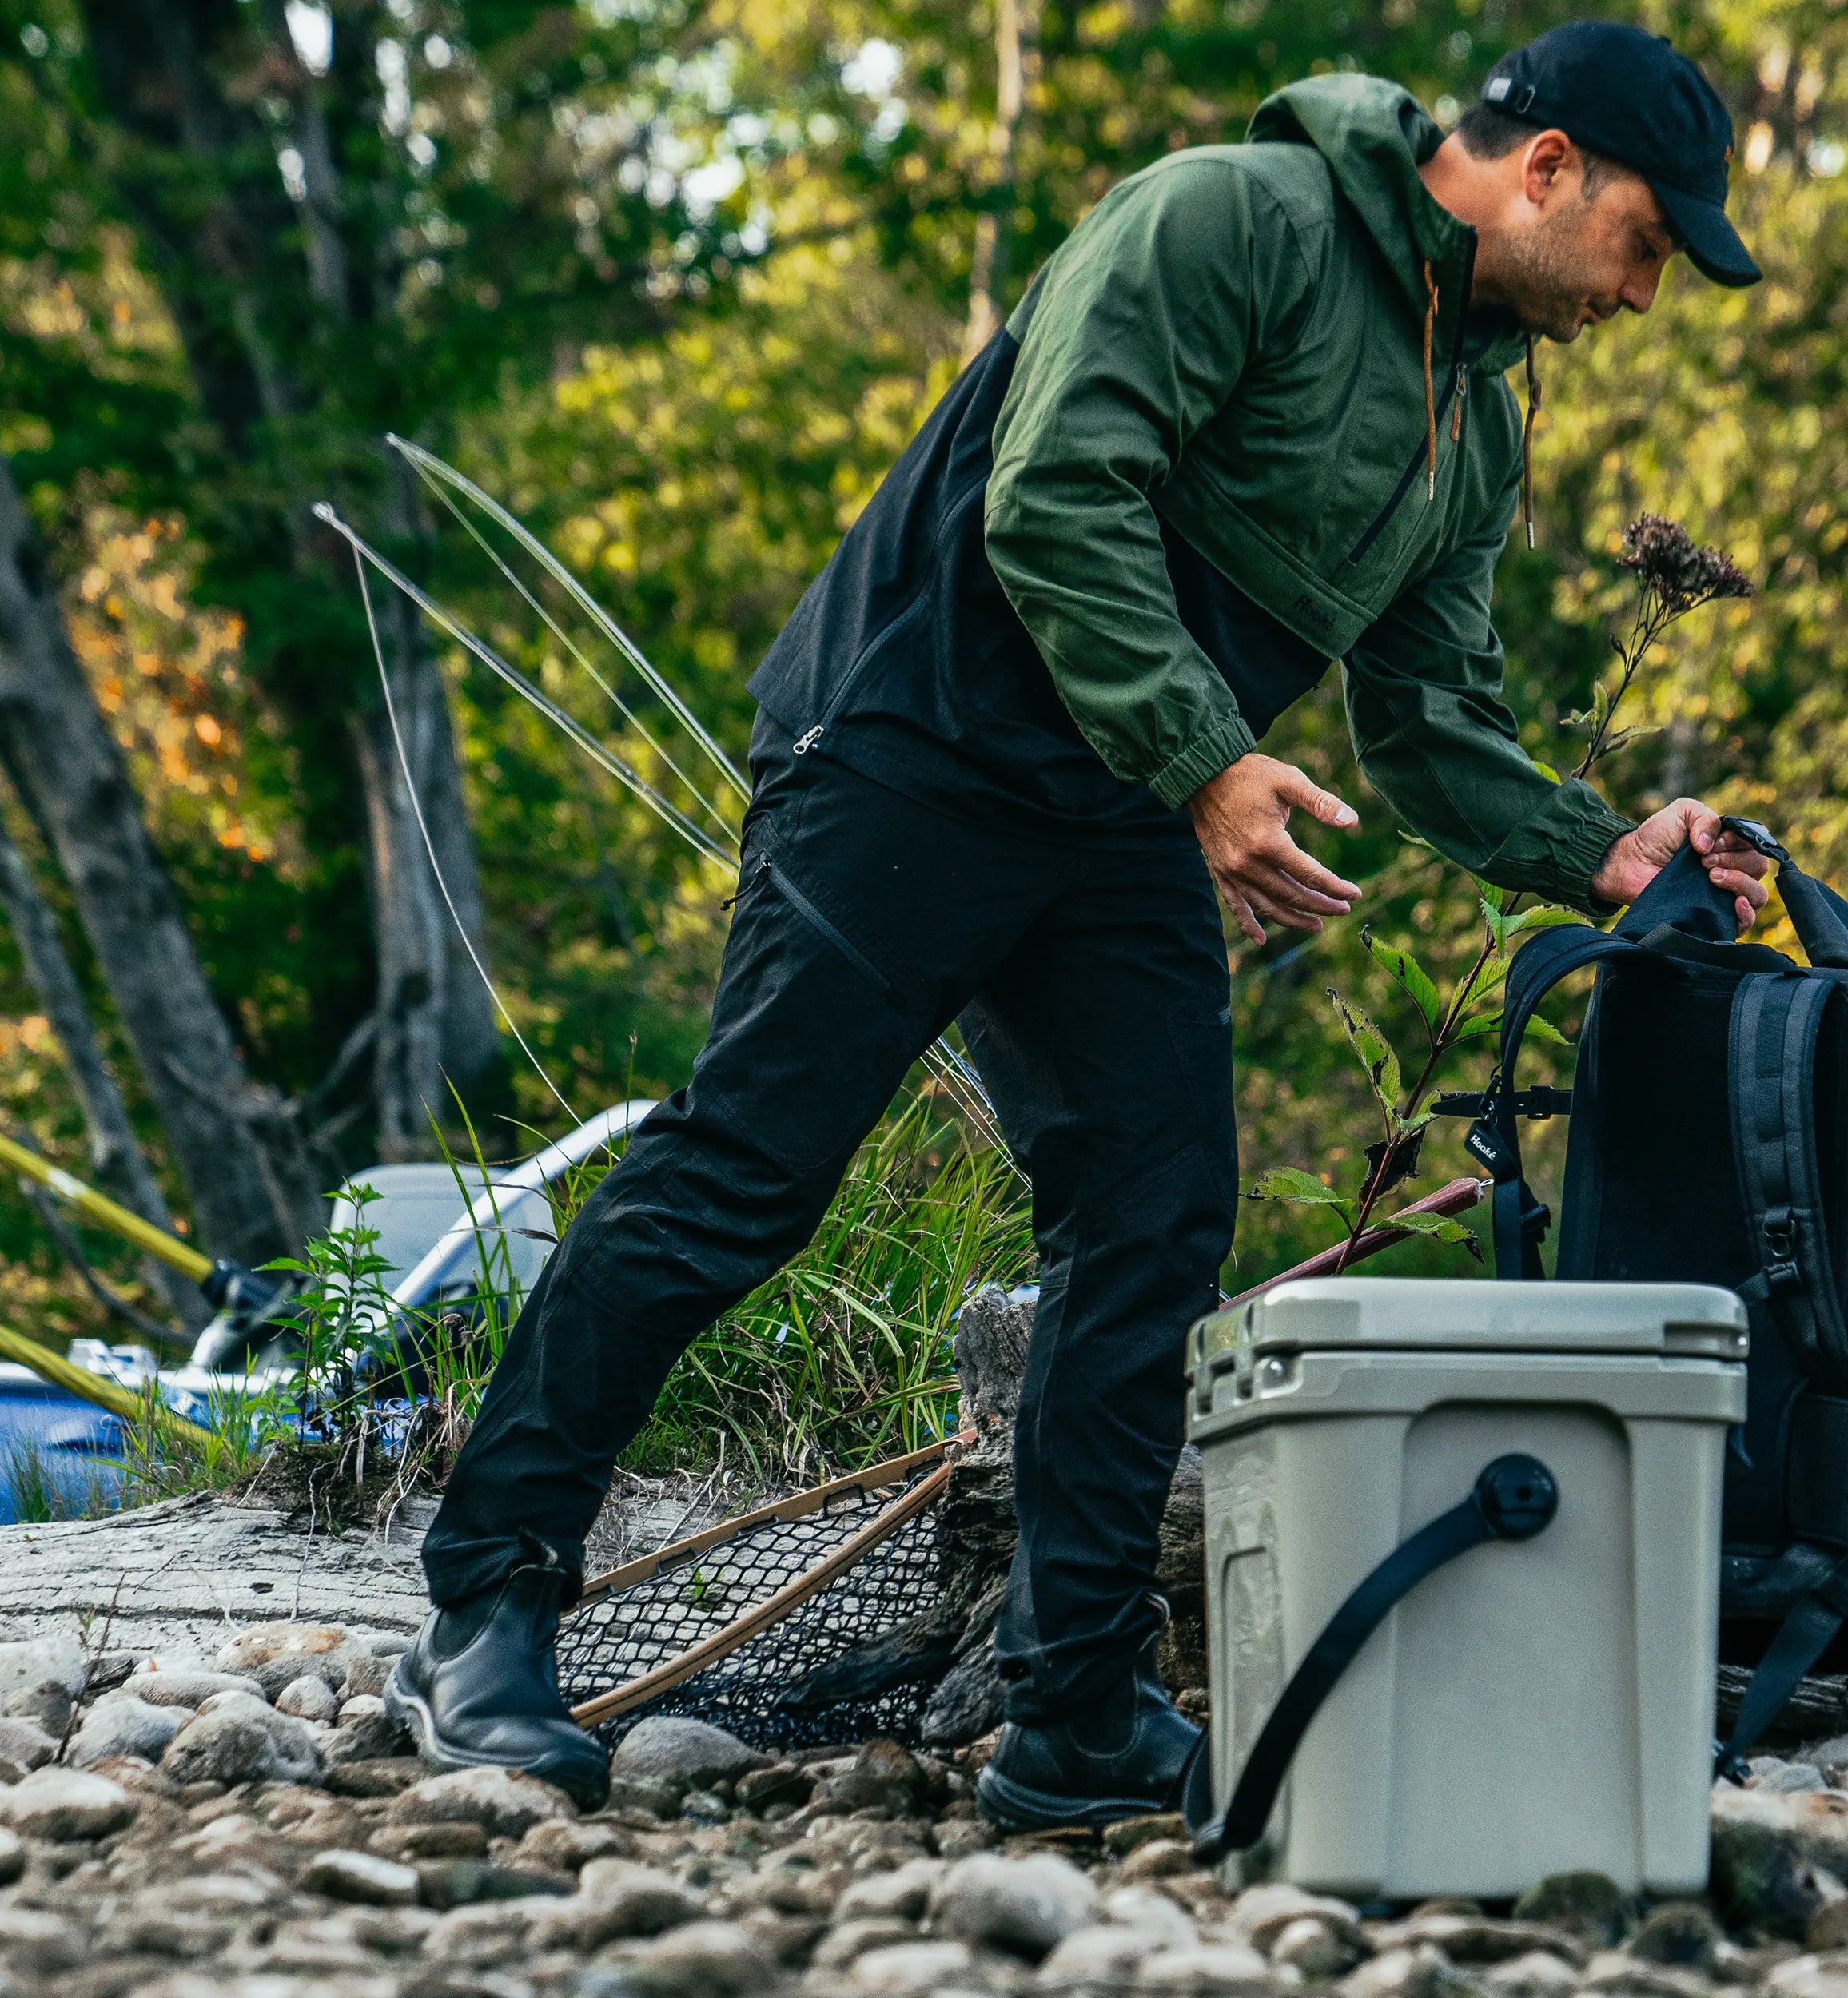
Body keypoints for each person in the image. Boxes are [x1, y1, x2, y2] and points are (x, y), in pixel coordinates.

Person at [387, 18, 1773, 1829]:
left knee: (1152, 1213)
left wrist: (1604, 850)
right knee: (746, 1168)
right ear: (1546, 169)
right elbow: (1055, 499)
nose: (1643, 293)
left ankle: (1075, 1710)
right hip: (906, 741)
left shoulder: (1476, 424)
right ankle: (483, 1603)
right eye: (1649, 241)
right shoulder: (1229, 221)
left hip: (1116, 803)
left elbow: (1428, 727)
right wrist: (1210, 764)